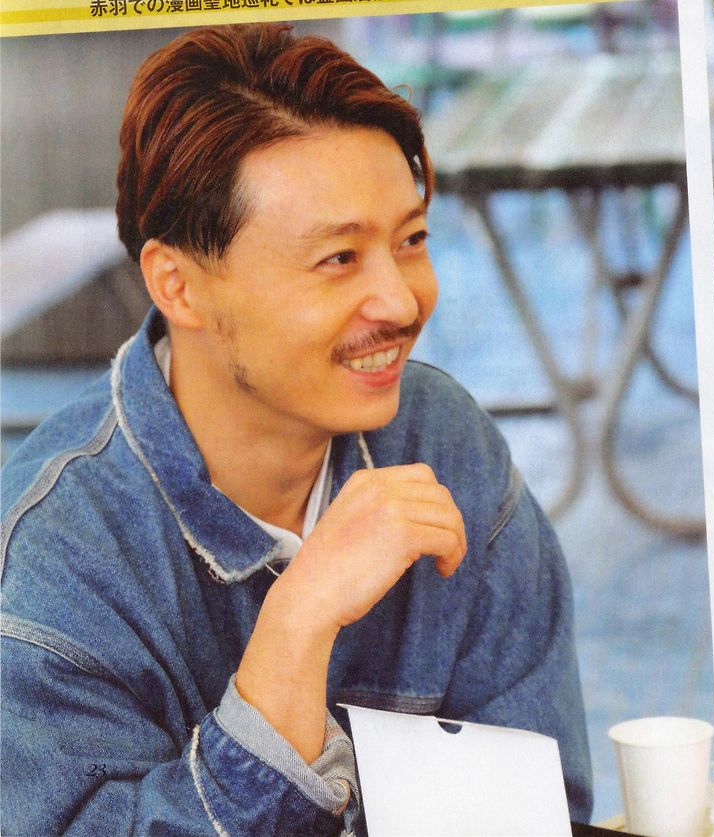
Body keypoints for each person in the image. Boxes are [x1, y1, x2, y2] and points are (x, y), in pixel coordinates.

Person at [1, 22, 592, 836]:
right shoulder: (57, 553)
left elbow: (538, 806)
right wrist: (295, 627)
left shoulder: (445, 445)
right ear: (179, 285)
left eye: (412, 240)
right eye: (338, 259)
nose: (402, 301)